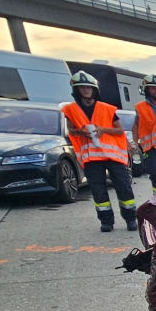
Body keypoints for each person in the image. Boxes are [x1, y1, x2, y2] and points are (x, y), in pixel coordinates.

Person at [62, 71, 138, 232]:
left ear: (94, 90)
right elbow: (70, 130)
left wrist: (103, 130)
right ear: (76, 90)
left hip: (113, 156)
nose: (85, 90)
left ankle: (131, 218)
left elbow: (119, 131)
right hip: (91, 158)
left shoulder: (108, 109)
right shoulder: (71, 110)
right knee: (98, 191)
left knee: (124, 187)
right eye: (82, 88)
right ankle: (106, 221)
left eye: (88, 88)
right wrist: (81, 132)